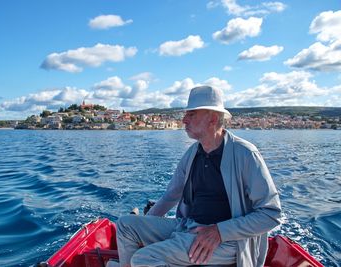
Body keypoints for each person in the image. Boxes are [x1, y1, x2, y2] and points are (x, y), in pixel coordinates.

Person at [115, 86, 282, 267]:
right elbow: (170, 196)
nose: (184, 120)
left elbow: (271, 214)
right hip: (188, 226)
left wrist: (219, 231)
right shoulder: (193, 152)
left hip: (228, 242)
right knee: (126, 225)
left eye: (192, 114)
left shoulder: (246, 154)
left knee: (144, 258)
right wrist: (145, 225)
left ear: (213, 118)